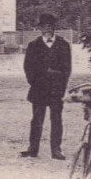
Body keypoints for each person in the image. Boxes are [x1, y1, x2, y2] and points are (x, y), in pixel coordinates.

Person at [20, 13, 72, 160]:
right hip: (39, 89)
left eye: (50, 26)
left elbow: (67, 69)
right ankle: (33, 148)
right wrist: (36, 82)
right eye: (44, 26)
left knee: (56, 119)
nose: (47, 29)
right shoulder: (33, 45)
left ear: (54, 28)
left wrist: (61, 86)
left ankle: (56, 150)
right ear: (40, 28)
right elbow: (28, 68)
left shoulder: (63, 45)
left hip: (56, 89)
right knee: (37, 119)